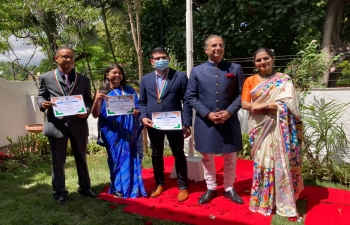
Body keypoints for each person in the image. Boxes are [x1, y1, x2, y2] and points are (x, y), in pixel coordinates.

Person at [241, 47, 303, 217]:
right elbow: (245, 103)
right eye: (258, 60)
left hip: (278, 125)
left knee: (278, 160)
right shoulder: (250, 80)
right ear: (255, 63)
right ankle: (263, 197)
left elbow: (290, 105)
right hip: (258, 125)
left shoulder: (284, 80)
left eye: (266, 58)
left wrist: (265, 106)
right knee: (261, 160)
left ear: (273, 58)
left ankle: (280, 198)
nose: (262, 62)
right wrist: (255, 106)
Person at [186, 35, 245, 205]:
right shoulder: (197, 71)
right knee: (207, 156)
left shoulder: (235, 68)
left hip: (229, 119)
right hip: (206, 121)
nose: (217, 48)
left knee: (230, 157)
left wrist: (229, 112)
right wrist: (207, 114)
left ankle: (229, 187)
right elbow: (191, 96)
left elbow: (242, 94)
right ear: (206, 50)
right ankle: (211, 187)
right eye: (213, 45)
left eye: (220, 45)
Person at [37, 46, 96, 204]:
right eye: (64, 57)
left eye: (71, 57)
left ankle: (85, 188)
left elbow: (88, 100)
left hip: (78, 124)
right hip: (57, 125)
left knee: (81, 158)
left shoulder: (83, 79)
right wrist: (43, 103)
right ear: (56, 58)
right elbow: (41, 96)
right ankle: (60, 193)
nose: (68, 60)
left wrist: (87, 111)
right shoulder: (46, 77)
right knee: (58, 161)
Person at [139, 47, 192, 202]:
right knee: (156, 154)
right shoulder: (146, 79)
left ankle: (183, 186)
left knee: (179, 153)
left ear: (169, 59)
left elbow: (187, 101)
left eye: (163, 57)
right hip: (154, 123)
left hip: (175, 123)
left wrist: (187, 123)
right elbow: (142, 102)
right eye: (157, 58)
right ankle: (160, 183)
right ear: (151, 61)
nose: (160, 60)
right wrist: (143, 117)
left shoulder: (180, 76)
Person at [91, 63, 147, 198]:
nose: (117, 75)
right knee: (115, 158)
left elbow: (137, 108)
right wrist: (97, 100)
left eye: (119, 73)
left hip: (128, 130)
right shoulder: (102, 92)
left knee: (130, 156)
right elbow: (95, 114)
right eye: (114, 73)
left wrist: (136, 112)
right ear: (107, 75)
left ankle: (132, 187)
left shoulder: (129, 91)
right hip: (111, 131)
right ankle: (117, 187)